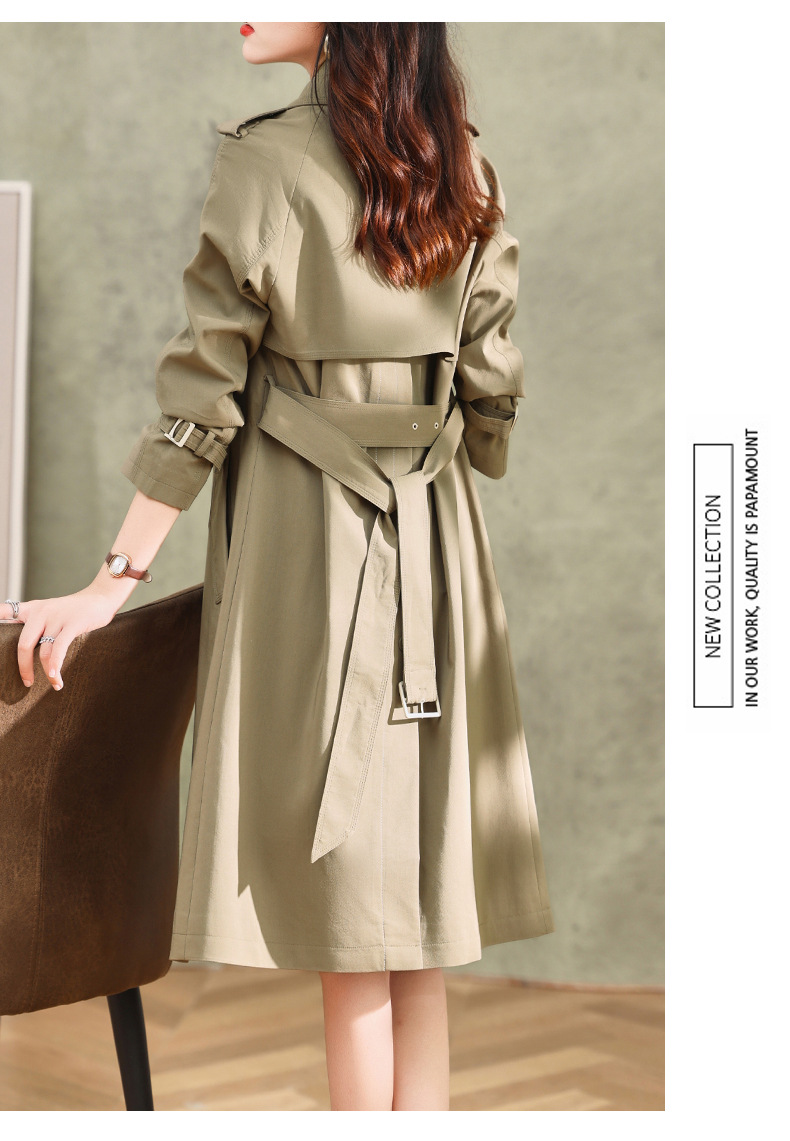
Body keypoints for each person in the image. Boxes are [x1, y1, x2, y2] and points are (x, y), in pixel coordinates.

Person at [4, 22, 555, 1111]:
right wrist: (447, 439)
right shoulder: (465, 163)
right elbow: (491, 390)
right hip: (438, 549)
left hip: (313, 550)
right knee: (415, 923)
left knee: (350, 915)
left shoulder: (262, 162)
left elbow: (200, 401)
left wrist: (113, 581)